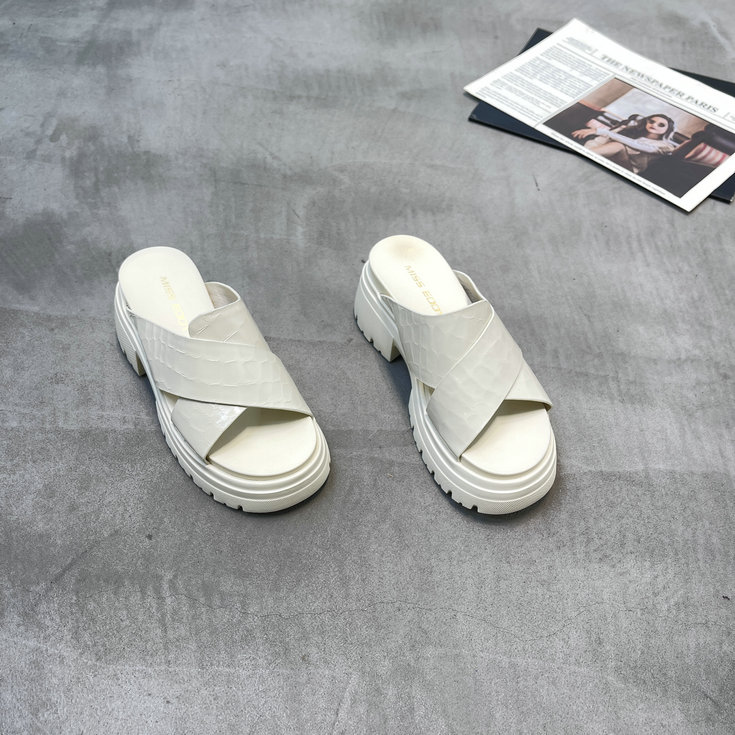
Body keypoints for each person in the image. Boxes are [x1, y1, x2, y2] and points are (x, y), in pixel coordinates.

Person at [571, 114, 678, 174]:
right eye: (651, 121)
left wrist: (601, 131)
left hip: (629, 168)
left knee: (619, 145)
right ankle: (582, 155)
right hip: (606, 156)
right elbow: (600, 141)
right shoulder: (629, 130)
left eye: (661, 125)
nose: (654, 125)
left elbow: (638, 145)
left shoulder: (667, 146)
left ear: (668, 129)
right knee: (615, 143)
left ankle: (578, 156)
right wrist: (589, 149)